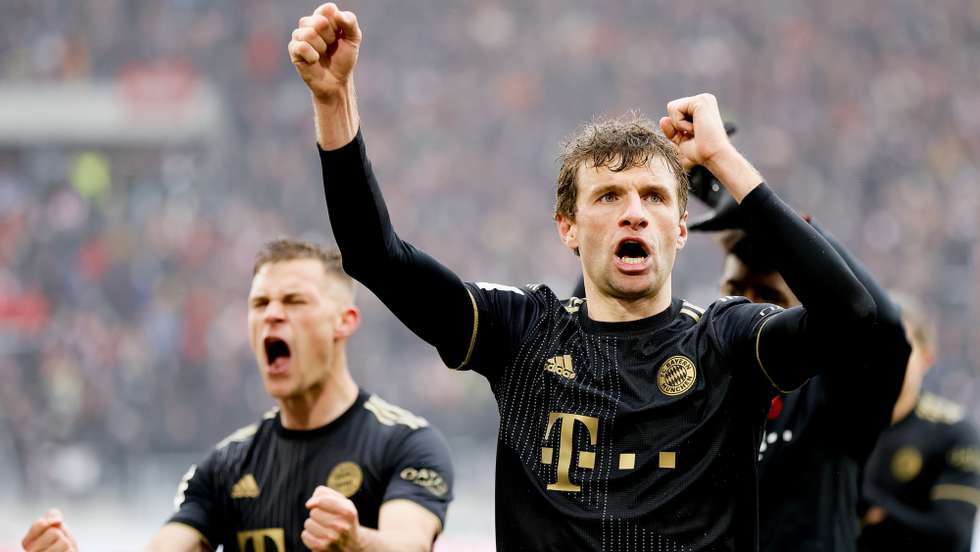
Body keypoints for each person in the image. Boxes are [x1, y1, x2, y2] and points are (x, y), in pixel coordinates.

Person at [290, 4, 877, 549]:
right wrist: (334, 102)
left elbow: (852, 315)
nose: (633, 211)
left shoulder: (726, 343)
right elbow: (375, 258)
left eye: (653, 196)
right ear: (567, 227)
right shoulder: (522, 333)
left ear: (678, 228)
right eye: (609, 195)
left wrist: (724, 160)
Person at [21, 239, 454, 552]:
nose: (272, 316)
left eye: (294, 301)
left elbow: (408, 545)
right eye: (259, 303)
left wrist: (355, 542)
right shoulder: (225, 465)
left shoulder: (407, 444)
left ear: (344, 321)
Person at [682, 177, 910, 552]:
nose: (748, 307)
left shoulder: (839, 397)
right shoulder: (693, 383)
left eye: (769, 296)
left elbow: (878, 325)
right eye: (735, 290)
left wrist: (762, 204)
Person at [858, 296, 980, 551]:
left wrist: (871, 507)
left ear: (926, 358)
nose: (885, 359)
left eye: (898, 346)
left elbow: (952, 537)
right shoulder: (834, 423)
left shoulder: (954, 432)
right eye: (874, 345)